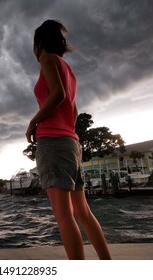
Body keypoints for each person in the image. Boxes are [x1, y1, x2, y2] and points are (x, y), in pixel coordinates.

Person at [25, 20, 111, 260]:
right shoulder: (68, 69)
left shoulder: (47, 60)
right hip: (71, 142)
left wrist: (34, 122)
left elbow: (58, 95)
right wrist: (67, 134)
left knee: (64, 215)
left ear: (39, 43)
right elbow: (73, 111)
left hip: (54, 141)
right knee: (83, 211)